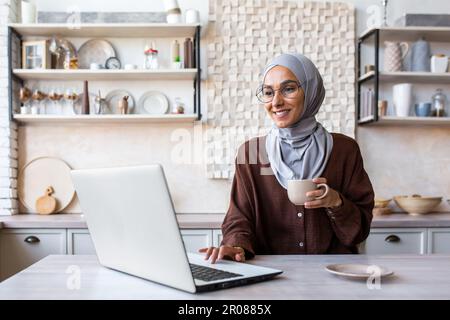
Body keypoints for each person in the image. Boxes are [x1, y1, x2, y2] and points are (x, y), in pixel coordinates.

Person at [199, 53, 374, 264]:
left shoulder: (344, 150)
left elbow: (360, 229)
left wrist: (335, 202)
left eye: (289, 89)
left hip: (334, 272)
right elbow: (239, 217)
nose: (276, 102)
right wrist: (236, 246)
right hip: (270, 274)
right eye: (268, 92)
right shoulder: (251, 153)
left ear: (311, 91)